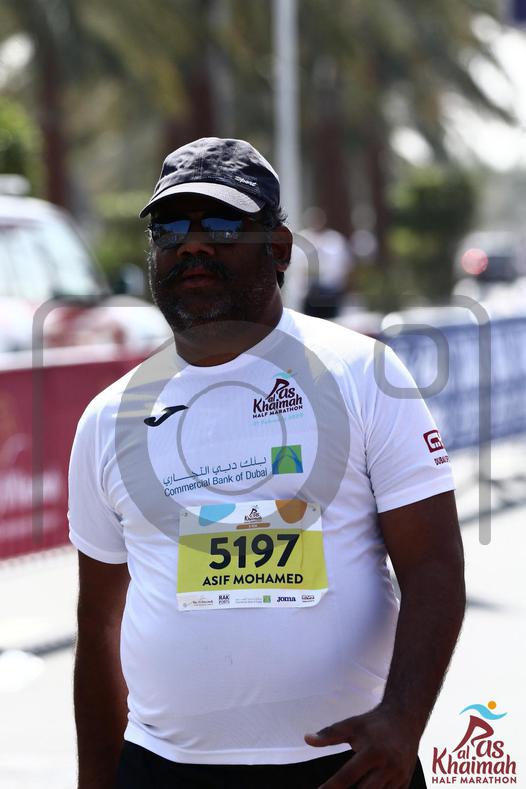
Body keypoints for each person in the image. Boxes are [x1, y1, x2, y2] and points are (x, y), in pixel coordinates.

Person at [69, 137, 465, 789]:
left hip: (350, 766)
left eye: (221, 227)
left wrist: (403, 722)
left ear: (278, 248)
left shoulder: (366, 374)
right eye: (171, 230)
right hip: (165, 769)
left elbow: (433, 565)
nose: (192, 247)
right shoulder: (109, 417)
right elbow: (99, 625)